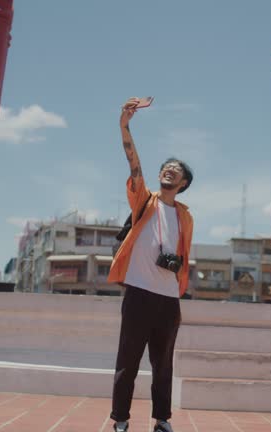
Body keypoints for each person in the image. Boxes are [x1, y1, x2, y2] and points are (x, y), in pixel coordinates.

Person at [107, 97, 194, 432]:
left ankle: (162, 420)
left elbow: (184, 254)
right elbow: (134, 166)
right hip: (139, 293)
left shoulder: (186, 216)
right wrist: (125, 126)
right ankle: (121, 420)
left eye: (177, 169)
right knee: (127, 362)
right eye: (165, 167)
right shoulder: (144, 200)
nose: (169, 170)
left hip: (169, 298)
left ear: (184, 182)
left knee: (164, 364)